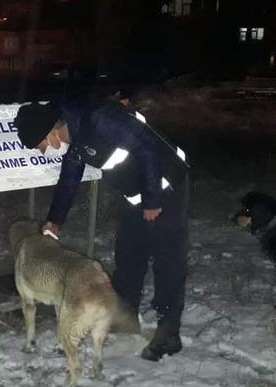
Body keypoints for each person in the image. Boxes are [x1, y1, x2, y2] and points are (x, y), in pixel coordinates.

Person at [13, 99, 190, 361]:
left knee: (168, 261)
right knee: (129, 255)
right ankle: (125, 320)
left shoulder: (99, 120)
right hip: (135, 194)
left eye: (39, 146)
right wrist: (55, 220)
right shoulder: (75, 140)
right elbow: (69, 180)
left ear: (49, 132)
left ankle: (168, 333)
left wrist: (153, 199)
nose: (42, 152)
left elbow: (147, 147)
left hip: (165, 186)